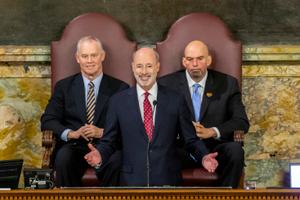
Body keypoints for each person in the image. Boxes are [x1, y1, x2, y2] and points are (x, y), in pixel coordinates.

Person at [84, 47, 218, 186]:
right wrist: (100, 154)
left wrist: (203, 156)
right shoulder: (118, 101)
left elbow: (190, 139)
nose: (144, 72)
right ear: (133, 68)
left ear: (157, 67)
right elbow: (109, 141)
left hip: (167, 180)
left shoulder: (176, 100)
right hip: (130, 181)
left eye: (149, 66)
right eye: (139, 66)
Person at [158, 40, 250, 188]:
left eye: (200, 59)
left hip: (215, 147)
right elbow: (158, 121)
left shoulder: (227, 83)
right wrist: (184, 128)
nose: (195, 64)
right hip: (182, 148)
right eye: (190, 59)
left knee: (236, 151)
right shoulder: (166, 84)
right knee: (162, 153)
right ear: (184, 61)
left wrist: (212, 131)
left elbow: (241, 122)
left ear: (208, 60)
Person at [41, 36, 129, 187]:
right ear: (77, 58)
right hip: (74, 146)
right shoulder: (64, 87)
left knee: (118, 162)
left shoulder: (120, 88)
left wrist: (102, 132)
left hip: (107, 146)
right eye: (85, 56)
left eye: (94, 55)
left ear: (102, 56)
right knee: (63, 158)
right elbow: (48, 120)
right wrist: (71, 133)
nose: (89, 60)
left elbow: (129, 125)